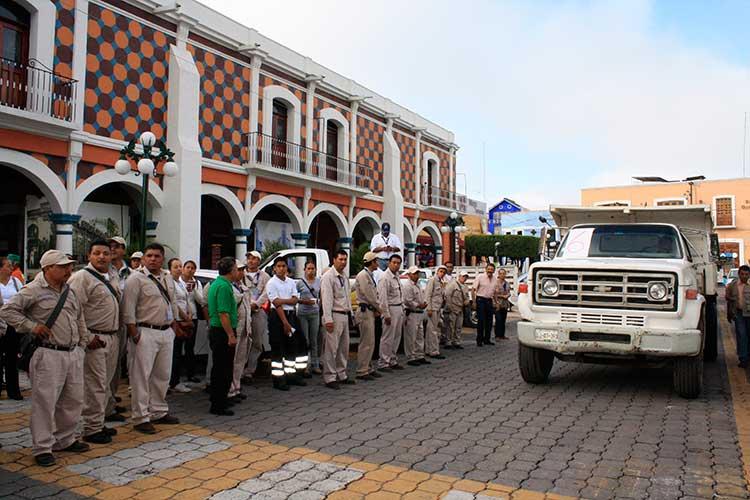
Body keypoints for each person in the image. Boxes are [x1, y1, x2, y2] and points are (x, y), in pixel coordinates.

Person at [1, 250, 90, 467]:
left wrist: (82, 343)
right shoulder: (33, 289)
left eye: (69, 265)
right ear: (48, 268)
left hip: (72, 352)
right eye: (63, 266)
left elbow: (78, 317)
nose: (69, 269)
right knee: (45, 402)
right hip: (48, 353)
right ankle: (42, 447)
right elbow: (8, 311)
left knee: (73, 399)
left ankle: (65, 439)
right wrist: (32, 327)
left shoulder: (69, 290)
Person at [121, 243, 182, 434]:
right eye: (149, 256)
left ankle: (159, 410)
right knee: (141, 376)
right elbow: (128, 308)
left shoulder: (167, 277)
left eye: (157, 256)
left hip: (165, 332)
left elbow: (172, 302)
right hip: (144, 331)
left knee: (162, 374)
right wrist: (134, 333)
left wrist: (174, 325)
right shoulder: (135, 279)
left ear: (162, 258)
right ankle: (141, 416)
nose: (153, 259)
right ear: (144, 258)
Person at [67, 240, 121, 444]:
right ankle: (91, 428)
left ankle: (98, 421)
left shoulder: (112, 275)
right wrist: (87, 337)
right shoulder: (82, 278)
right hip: (94, 338)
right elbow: (74, 310)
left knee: (105, 383)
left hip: (112, 337)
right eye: (97, 253)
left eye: (105, 253)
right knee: (95, 385)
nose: (101, 257)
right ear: (89, 255)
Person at [266, 256, 307, 390]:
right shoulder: (272, 283)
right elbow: (276, 304)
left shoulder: (291, 282)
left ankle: (291, 376)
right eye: (279, 266)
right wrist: (285, 323)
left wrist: (283, 301)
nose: (281, 268)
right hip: (278, 318)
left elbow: (295, 300)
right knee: (278, 348)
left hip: (291, 316)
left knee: (293, 347)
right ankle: (279, 380)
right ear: (274, 269)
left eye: (284, 266)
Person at [206, 257, 239, 416]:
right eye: (236, 268)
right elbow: (223, 313)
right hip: (222, 331)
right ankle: (219, 403)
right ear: (231, 270)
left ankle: (217, 400)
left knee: (219, 367)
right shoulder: (224, 286)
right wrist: (231, 335)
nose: (237, 271)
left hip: (217, 330)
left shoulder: (217, 283)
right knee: (224, 369)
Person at [321, 250, 354, 389]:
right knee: (331, 348)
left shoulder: (344, 277)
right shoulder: (328, 277)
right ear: (334, 260)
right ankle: (330, 377)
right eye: (340, 259)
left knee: (343, 348)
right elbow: (326, 299)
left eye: (345, 259)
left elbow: (347, 297)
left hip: (344, 315)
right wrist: (328, 319)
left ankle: (342, 373)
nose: (343, 262)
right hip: (334, 315)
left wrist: (351, 314)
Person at [105, 237, 130, 422]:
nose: (112, 249)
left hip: (124, 325)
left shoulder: (131, 272)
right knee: (104, 369)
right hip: (105, 326)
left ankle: (111, 400)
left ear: (123, 249)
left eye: (116, 246)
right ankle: (104, 409)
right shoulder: (104, 270)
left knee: (116, 367)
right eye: (109, 246)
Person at [354, 252, 383, 381]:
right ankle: (362, 370)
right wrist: (380, 308)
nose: (377, 263)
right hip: (365, 311)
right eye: (376, 261)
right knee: (366, 342)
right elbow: (370, 295)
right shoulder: (363, 275)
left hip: (370, 311)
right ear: (371, 262)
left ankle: (368, 367)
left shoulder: (369, 275)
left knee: (370, 342)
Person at [242, 251, 270, 383]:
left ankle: (250, 371)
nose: (251, 261)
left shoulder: (265, 276)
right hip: (243, 311)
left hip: (258, 312)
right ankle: (240, 370)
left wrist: (256, 304)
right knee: (243, 341)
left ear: (259, 261)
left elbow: (267, 293)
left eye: (254, 259)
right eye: (249, 258)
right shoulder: (241, 274)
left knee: (257, 342)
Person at [167, 258, 194, 394]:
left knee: (179, 352)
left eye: (180, 266)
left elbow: (186, 299)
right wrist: (184, 317)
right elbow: (174, 303)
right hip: (176, 321)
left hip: (185, 319)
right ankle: (172, 381)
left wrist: (189, 315)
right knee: (174, 354)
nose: (178, 269)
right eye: (175, 267)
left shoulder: (181, 283)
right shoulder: (169, 282)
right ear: (170, 269)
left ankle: (175, 380)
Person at [0, 256, 24, 400]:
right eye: (8, 266)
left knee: (11, 358)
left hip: (12, 325)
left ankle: (13, 390)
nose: (11, 268)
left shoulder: (16, 282)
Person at [377, 254, 405, 371]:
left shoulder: (397, 276)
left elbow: (400, 294)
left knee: (397, 336)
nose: (396, 265)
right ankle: (383, 362)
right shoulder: (385, 278)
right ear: (389, 263)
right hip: (390, 309)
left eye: (398, 263)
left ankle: (392, 359)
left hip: (398, 308)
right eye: (394, 262)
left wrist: (402, 308)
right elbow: (382, 299)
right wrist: (386, 314)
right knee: (387, 337)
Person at [229, 260, 252, 401]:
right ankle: (229, 390)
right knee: (231, 360)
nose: (241, 272)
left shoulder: (243, 287)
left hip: (245, 327)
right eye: (239, 269)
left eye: (243, 270)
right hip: (234, 327)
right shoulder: (226, 286)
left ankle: (236, 387)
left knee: (240, 360)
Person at [181, 260, 206, 383]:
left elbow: (202, 301)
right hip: (180, 318)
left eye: (193, 268)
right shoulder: (177, 282)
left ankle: (191, 373)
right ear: (183, 269)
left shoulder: (197, 283)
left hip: (193, 317)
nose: (190, 270)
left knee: (190, 346)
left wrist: (194, 289)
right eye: (188, 267)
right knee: (177, 346)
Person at [296, 260, 321, 375]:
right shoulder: (300, 283)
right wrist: (303, 301)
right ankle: (305, 366)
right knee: (305, 340)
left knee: (314, 340)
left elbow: (322, 295)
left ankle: (315, 364)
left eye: (313, 268)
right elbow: (294, 298)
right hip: (303, 313)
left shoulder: (319, 282)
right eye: (309, 268)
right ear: (304, 270)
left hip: (315, 313)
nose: (311, 271)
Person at [403, 265, 429, 366]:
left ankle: (419, 355)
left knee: (419, 336)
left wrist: (423, 304)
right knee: (411, 336)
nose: (416, 275)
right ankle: (411, 357)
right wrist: (419, 305)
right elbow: (408, 300)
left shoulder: (418, 284)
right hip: (412, 313)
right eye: (414, 274)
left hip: (419, 313)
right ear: (409, 275)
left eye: (417, 273)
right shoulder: (407, 286)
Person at [727, 265, 750, 367]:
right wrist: (729, 314)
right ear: (739, 274)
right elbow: (729, 300)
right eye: (742, 274)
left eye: (746, 274)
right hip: (739, 314)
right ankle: (743, 358)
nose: (744, 276)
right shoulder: (732, 285)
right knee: (741, 336)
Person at [424, 265, 447, 360]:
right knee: (433, 331)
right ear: (437, 271)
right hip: (432, 308)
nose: (442, 273)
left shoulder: (441, 282)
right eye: (441, 271)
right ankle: (434, 351)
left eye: (444, 272)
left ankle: (429, 350)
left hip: (437, 308)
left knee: (432, 330)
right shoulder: (432, 280)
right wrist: (429, 308)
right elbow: (427, 294)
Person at [444, 271, 470, 349]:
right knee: (450, 327)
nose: (464, 278)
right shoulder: (452, 284)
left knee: (458, 326)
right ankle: (448, 342)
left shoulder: (465, 286)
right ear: (459, 276)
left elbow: (467, 297)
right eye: (463, 276)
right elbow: (447, 296)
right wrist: (450, 307)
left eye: (466, 277)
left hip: (460, 308)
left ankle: (456, 342)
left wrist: (467, 302)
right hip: (452, 308)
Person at [474, 263, 496, 346]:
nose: (490, 270)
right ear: (486, 269)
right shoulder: (480, 277)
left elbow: (495, 292)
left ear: (494, 270)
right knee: (481, 321)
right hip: (480, 299)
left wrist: (496, 302)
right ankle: (479, 340)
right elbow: (473, 289)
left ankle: (487, 339)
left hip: (489, 300)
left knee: (489, 321)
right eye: (489, 269)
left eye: (492, 269)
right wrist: (474, 302)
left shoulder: (495, 279)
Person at [440, 262, 455, 346]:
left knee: (449, 322)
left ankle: (447, 339)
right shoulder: (442, 278)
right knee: (442, 322)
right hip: (442, 302)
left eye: (451, 267)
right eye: (448, 267)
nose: (449, 268)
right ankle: (442, 337)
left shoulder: (453, 278)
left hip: (450, 303)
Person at [493, 269, 511, 340]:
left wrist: (508, 295)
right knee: (498, 320)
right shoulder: (495, 283)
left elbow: (509, 292)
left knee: (503, 320)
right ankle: (497, 335)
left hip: (505, 304)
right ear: (499, 274)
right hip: (498, 303)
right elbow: (494, 294)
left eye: (504, 274)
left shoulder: (507, 283)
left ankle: (502, 335)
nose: (503, 275)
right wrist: (502, 296)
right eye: (501, 274)